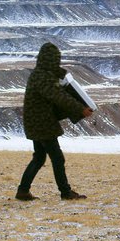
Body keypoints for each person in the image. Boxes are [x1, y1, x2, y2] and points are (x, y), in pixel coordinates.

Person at [15, 42, 93, 201]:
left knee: (39, 158)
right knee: (57, 158)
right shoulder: (44, 77)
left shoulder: (39, 74)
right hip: (42, 123)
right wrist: (80, 109)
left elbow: (57, 95)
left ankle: (23, 190)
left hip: (36, 122)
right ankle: (65, 192)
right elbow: (59, 97)